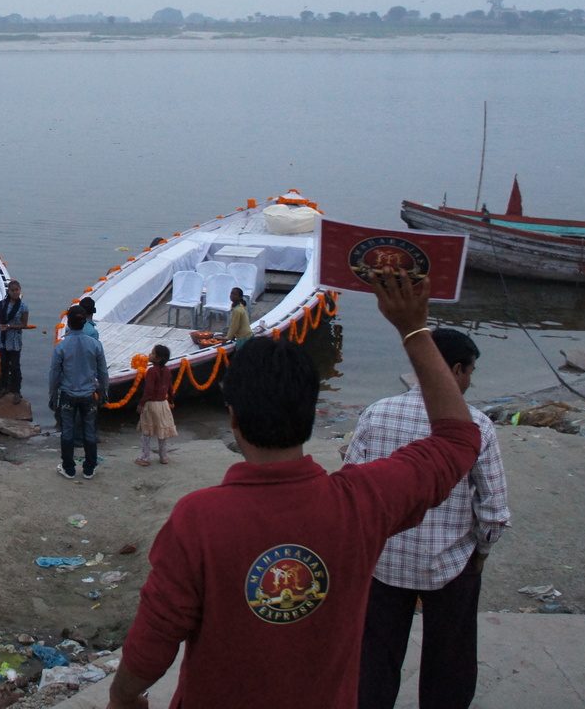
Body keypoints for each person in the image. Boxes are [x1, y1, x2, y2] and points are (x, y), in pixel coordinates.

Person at [105, 270, 480, 709]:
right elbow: (457, 441)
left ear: (233, 417)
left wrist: (122, 697)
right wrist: (413, 329)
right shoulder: (362, 503)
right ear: (310, 413)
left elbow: (155, 639)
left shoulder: (199, 519)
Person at [346, 328, 510, 709]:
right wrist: (481, 554)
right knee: (449, 662)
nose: (471, 381)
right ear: (454, 370)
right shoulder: (476, 426)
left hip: (384, 562)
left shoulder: (377, 413)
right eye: (470, 371)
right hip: (450, 563)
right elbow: (493, 509)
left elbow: (352, 490)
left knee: (374, 660)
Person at [48, 304, 109, 480]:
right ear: (84, 322)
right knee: (89, 431)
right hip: (88, 394)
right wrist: (104, 391)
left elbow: (54, 374)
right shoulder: (95, 344)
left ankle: (69, 468)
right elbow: (103, 372)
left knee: (67, 432)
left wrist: (53, 396)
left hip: (68, 394)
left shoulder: (61, 347)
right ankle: (89, 468)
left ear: (68, 323)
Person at [133, 344, 177, 466]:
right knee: (162, 431)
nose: (149, 355)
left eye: (152, 353)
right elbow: (170, 387)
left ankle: (145, 457)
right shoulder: (167, 370)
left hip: (151, 404)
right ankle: (163, 456)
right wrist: (171, 400)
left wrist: (141, 404)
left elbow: (149, 391)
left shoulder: (151, 371)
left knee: (146, 432)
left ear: (158, 359)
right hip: (163, 404)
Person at [0, 280, 29, 399]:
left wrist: (9, 326)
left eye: (17, 290)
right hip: (3, 338)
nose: (15, 292)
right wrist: (0, 326)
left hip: (14, 339)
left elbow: (24, 325)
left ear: (20, 290)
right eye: (12, 290)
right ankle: (4, 387)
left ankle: (16, 391)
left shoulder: (23, 306)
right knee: (4, 364)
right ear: (8, 292)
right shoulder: (2, 304)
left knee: (15, 366)